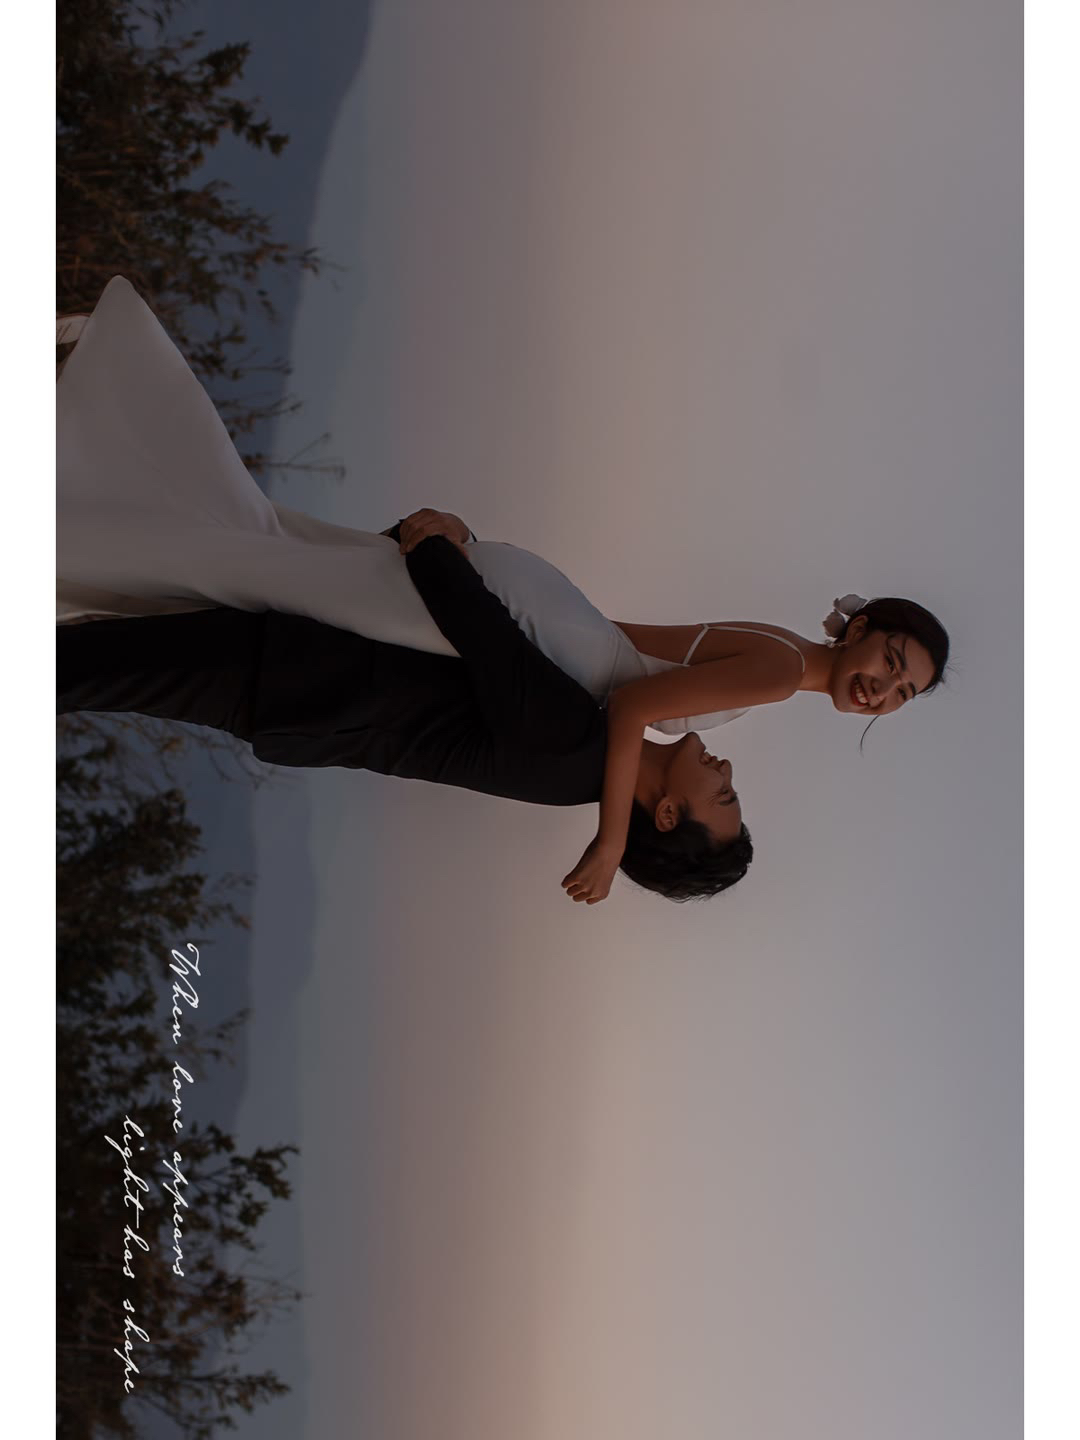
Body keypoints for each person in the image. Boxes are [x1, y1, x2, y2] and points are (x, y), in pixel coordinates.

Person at [57, 277, 949, 902]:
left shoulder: (759, 662)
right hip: (494, 629)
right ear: (863, 627)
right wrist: (608, 837)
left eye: (902, 692)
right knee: (234, 559)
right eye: (893, 659)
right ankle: (94, 443)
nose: (884, 687)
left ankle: (95, 444)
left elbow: (620, 654)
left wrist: (497, 578)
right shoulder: (775, 674)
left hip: (504, 629)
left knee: (244, 556)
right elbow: (628, 686)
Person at [58, 532, 753, 904]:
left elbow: (481, 630)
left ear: (667, 813)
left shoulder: (575, 748)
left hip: (288, 679)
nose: (724, 769)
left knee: (77, 664)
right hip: (293, 684)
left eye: (721, 795)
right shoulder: (584, 750)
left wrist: (438, 543)